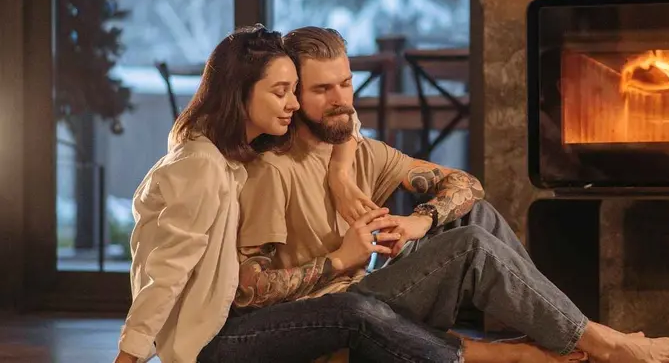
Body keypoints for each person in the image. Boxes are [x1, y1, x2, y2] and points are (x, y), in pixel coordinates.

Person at [237, 26, 669, 363]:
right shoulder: (272, 172)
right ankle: (602, 344)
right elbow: (250, 293)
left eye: (346, 83)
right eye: (322, 89)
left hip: (378, 297)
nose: (342, 100)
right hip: (337, 325)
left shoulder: (359, 152)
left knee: (478, 219)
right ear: (294, 93)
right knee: (470, 247)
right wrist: (339, 258)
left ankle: (563, 340)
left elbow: (466, 185)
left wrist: (420, 221)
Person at [113, 25, 496, 363]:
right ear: (240, 95)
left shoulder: (230, 154)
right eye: (282, 92)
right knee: (351, 310)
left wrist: (340, 176)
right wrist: (129, 355)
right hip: (210, 345)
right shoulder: (203, 166)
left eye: (296, 91)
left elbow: (345, 116)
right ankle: (496, 354)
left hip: (233, 326)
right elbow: (166, 273)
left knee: (478, 221)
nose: (294, 105)